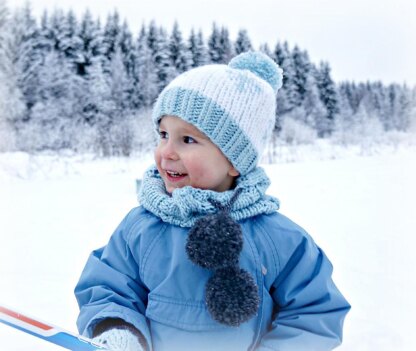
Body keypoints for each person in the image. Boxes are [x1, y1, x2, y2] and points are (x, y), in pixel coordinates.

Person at [75, 51, 350, 351]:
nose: (167, 151)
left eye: (187, 140)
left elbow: (315, 313)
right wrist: (119, 330)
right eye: (164, 134)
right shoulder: (141, 226)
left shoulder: (277, 238)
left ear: (235, 161)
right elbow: (108, 288)